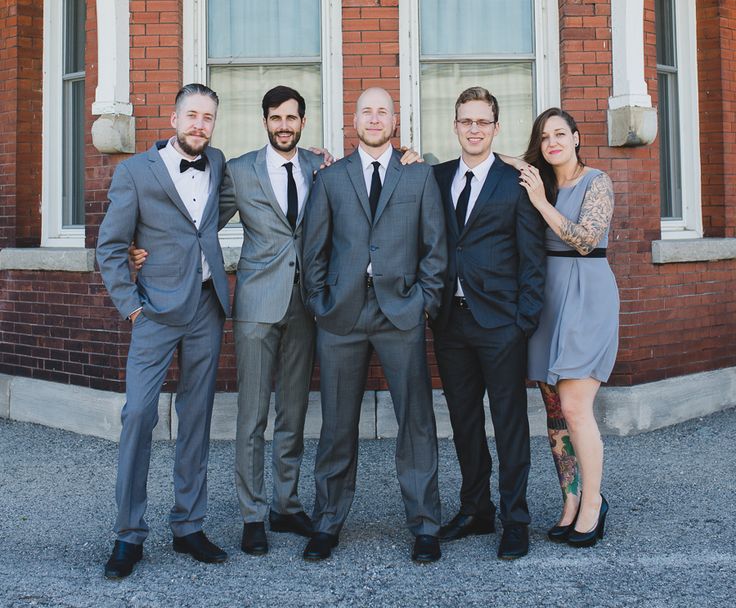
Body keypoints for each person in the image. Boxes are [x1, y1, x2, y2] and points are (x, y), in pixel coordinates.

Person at [301, 87, 447, 564]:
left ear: (394, 120)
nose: (374, 118)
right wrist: (320, 303)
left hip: (400, 311)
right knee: (337, 424)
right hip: (341, 314)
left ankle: (425, 525)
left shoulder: (419, 176)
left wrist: (425, 301)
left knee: (416, 422)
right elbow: (314, 250)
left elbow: (434, 247)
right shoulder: (331, 178)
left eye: (383, 111)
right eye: (366, 111)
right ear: (355, 120)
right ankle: (327, 523)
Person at [96, 84, 231, 580]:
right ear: (174, 119)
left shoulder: (218, 163)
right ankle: (128, 533)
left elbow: (242, 200)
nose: (199, 124)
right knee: (138, 415)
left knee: (197, 417)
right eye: (191, 115)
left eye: (208, 117)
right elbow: (110, 246)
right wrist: (132, 307)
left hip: (206, 309)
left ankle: (188, 525)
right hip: (153, 311)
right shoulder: (135, 171)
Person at [432, 86, 546, 561]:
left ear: (496, 128)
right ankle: (476, 508)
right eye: (466, 121)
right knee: (463, 422)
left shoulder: (515, 181)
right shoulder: (435, 179)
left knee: (509, 423)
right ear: (455, 126)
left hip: (501, 324)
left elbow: (532, 257)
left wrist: (524, 320)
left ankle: (515, 519)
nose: (474, 129)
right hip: (449, 323)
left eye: (483, 121)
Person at [217, 85, 323, 556]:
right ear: (265, 121)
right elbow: (199, 222)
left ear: (302, 122)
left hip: (306, 306)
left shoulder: (320, 168)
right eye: (276, 118)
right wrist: (146, 246)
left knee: (294, 412)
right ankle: (252, 513)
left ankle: (286, 503)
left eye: (292, 118)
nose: (284, 125)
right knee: (253, 414)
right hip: (257, 305)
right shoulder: (239, 171)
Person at [518, 107, 619, 548]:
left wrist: (541, 202)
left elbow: (585, 240)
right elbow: (489, 155)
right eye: (544, 137)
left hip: (587, 295)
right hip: (547, 300)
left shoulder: (597, 182)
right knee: (555, 414)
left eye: (560, 133)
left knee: (576, 408)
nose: (552, 142)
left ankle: (594, 504)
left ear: (577, 137)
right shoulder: (541, 179)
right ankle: (571, 501)